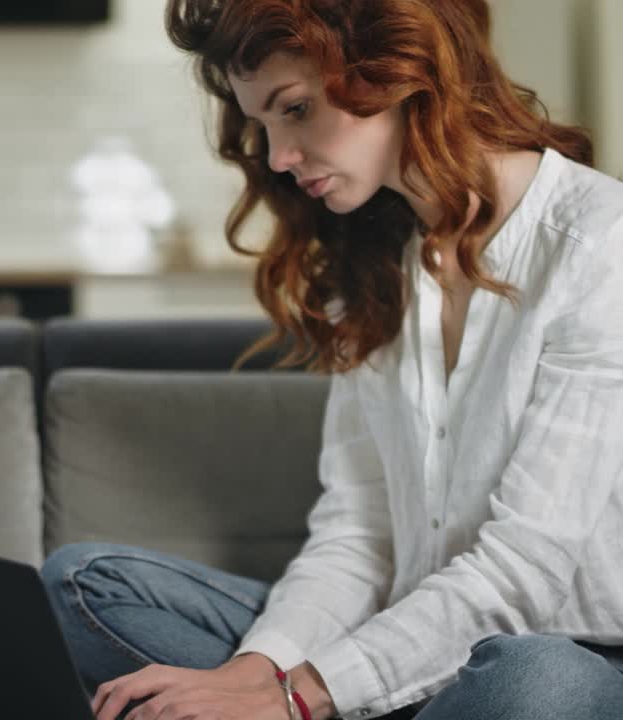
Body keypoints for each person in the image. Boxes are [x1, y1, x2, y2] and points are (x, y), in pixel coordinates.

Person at [39, 1, 623, 719]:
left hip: (566, 660)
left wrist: (296, 697)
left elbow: (524, 568)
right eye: (263, 126)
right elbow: (359, 536)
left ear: (397, 70)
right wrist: (255, 677)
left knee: (538, 680)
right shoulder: (372, 270)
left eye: (295, 109)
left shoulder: (601, 241)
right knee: (84, 583)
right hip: (388, 650)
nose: (279, 157)